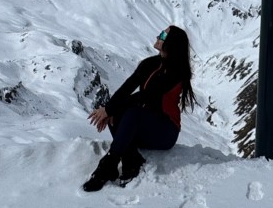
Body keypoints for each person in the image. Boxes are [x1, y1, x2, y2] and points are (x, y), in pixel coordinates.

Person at [83, 25, 196, 192]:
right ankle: (131, 159)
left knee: (130, 113)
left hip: (166, 131)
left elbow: (146, 96)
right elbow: (127, 87)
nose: (158, 36)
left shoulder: (176, 72)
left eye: (163, 35)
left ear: (171, 42)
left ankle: (109, 165)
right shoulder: (150, 63)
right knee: (117, 114)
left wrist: (110, 109)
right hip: (145, 126)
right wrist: (109, 110)